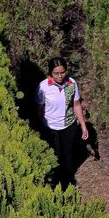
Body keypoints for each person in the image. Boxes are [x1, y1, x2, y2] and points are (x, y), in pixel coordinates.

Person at [35, 57, 89, 188]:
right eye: (56, 73)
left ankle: (69, 180)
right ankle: (55, 183)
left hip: (68, 126)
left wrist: (83, 126)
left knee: (68, 155)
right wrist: (38, 127)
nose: (60, 76)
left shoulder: (72, 83)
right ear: (50, 73)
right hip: (50, 128)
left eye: (62, 72)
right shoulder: (43, 87)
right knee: (55, 156)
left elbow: (76, 105)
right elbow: (39, 108)